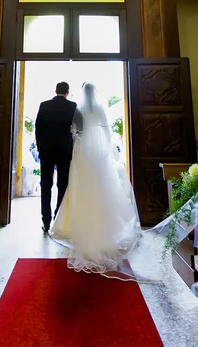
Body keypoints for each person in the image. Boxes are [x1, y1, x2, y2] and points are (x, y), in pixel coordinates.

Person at [50, 82, 142, 280]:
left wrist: (76, 140)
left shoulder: (78, 108)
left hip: (83, 151)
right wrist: (107, 150)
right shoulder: (100, 109)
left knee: (79, 185)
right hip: (98, 154)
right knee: (102, 187)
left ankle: (72, 223)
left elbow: (75, 131)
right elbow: (107, 134)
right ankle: (106, 222)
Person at [35, 81, 77, 232]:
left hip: (46, 150)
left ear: (55, 91)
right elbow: (79, 128)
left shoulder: (44, 105)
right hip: (65, 150)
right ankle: (58, 217)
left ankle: (45, 220)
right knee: (63, 184)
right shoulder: (73, 106)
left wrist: (40, 147)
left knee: (45, 184)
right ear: (67, 92)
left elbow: (38, 127)